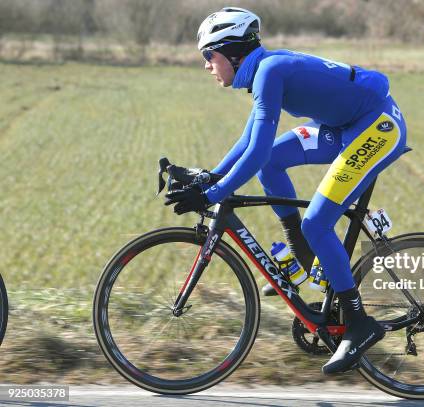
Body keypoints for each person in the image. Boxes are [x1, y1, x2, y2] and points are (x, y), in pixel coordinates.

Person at [165, 7, 408, 374]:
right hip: (344, 125)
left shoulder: (269, 72)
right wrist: (212, 178)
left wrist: (214, 195)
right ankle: (306, 261)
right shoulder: (265, 70)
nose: (206, 65)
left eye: (208, 56)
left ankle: (359, 324)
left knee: (317, 222)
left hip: (376, 126)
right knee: (272, 163)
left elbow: (257, 148)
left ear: (231, 52)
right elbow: (251, 141)